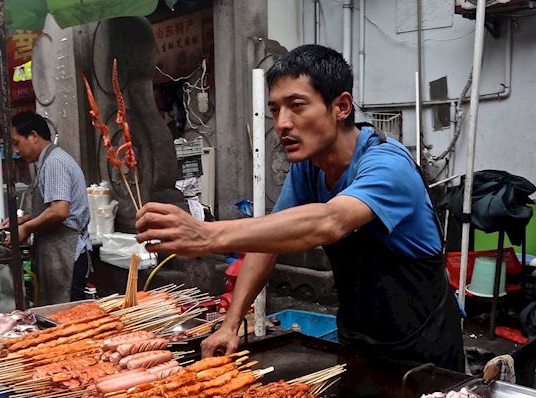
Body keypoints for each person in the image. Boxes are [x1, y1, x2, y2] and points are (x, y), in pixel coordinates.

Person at [136, 45, 465, 371]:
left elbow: (330, 221)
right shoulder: (309, 167)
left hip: (423, 346)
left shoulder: (388, 165)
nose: (282, 123)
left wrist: (207, 234)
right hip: (358, 336)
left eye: (297, 106)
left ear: (341, 107)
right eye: (275, 110)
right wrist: (230, 323)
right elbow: (267, 244)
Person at [4, 111, 91, 305]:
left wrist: (26, 229)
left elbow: (60, 211)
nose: (15, 150)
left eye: (16, 142)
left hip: (66, 254)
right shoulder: (47, 161)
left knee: (68, 316)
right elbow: (52, 207)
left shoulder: (54, 162)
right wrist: (25, 219)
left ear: (34, 136)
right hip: (58, 253)